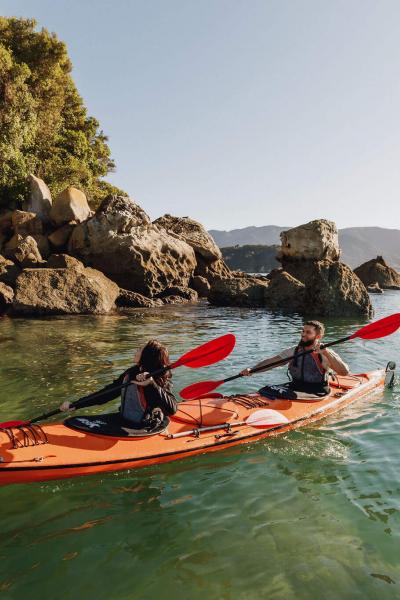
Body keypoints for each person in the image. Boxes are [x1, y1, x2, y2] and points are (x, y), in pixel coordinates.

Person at [59, 339, 178, 429]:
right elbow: (107, 393)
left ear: (147, 355)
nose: (136, 351)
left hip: (144, 427)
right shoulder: (132, 372)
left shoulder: (158, 378)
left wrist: (152, 384)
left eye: (139, 349)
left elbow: (172, 409)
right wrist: (76, 404)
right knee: (73, 421)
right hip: (124, 419)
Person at [240, 320, 349, 399]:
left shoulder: (324, 353)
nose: (303, 334)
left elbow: (344, 372)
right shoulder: (294, 351)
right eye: (303, 331)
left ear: (318, 336)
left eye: (308, 332)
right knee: (266, 389)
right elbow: (273, 362)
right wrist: (252, 370)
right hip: (295, 387)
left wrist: (326, 352)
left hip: (316, 392)